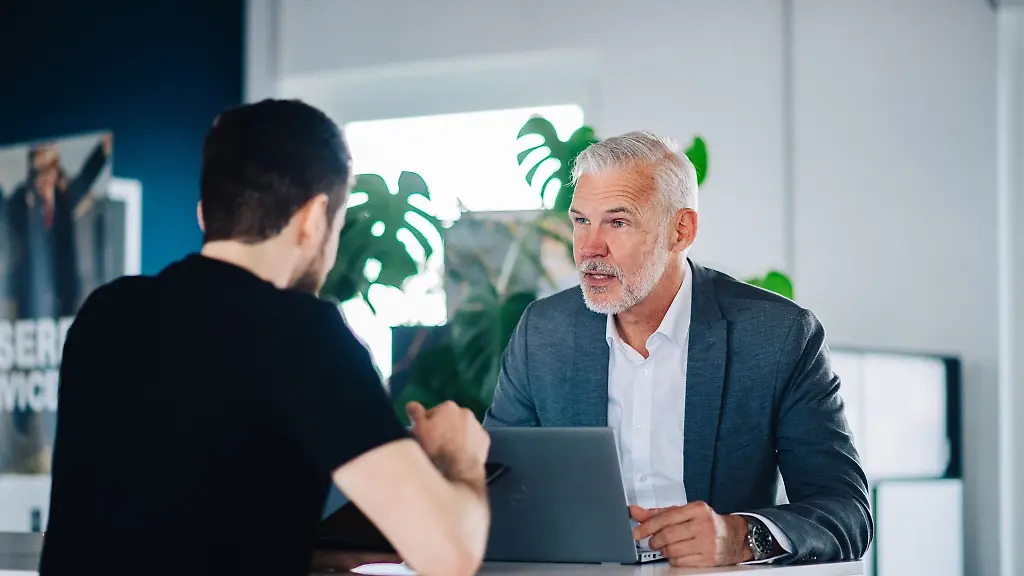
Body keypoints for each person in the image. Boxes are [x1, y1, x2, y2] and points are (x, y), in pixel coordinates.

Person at [40, 100, 491, 576]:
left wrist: (303, 547)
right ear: (313, 218)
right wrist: (458, 459)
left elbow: (154, 530)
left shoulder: (108, 314)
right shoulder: (303, 333)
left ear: (205, 212)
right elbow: (450, 555)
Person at [484, 131, 872, 567]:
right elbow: (495, 490)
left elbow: (846, 512)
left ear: (680, 230)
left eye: (618, 222)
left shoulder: (777, 336)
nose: (590, 249)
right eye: (580, 221)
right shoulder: (544, 332)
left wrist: (741, 537)